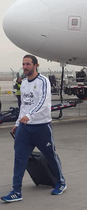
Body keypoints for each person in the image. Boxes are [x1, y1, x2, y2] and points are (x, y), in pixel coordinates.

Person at [1, 55, 66, 203]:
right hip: (25, 128)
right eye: (23, 64)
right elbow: (23, 106)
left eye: (28, 64)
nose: (25, 67)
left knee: (50, 155)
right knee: (19, 158)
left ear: (36, 65)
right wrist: (18, 122)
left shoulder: (43, 81)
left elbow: (43, 102)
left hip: (41, 126)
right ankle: (16, 191)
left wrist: (29, 116)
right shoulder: (23, 83)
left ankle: (61, 182)